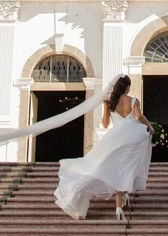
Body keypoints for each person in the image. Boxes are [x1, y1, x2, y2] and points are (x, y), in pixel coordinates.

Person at [54, 75, 154, 221]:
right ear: (127, 87)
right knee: (127, 167)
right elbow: (139, 117)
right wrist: (149, 126)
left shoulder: (109, 102)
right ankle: (121, 201)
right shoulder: (133, 100)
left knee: (113, 168)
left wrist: (105, 108)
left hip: (115, 139)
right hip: (132, 139)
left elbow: (106, 124)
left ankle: (120, 202)